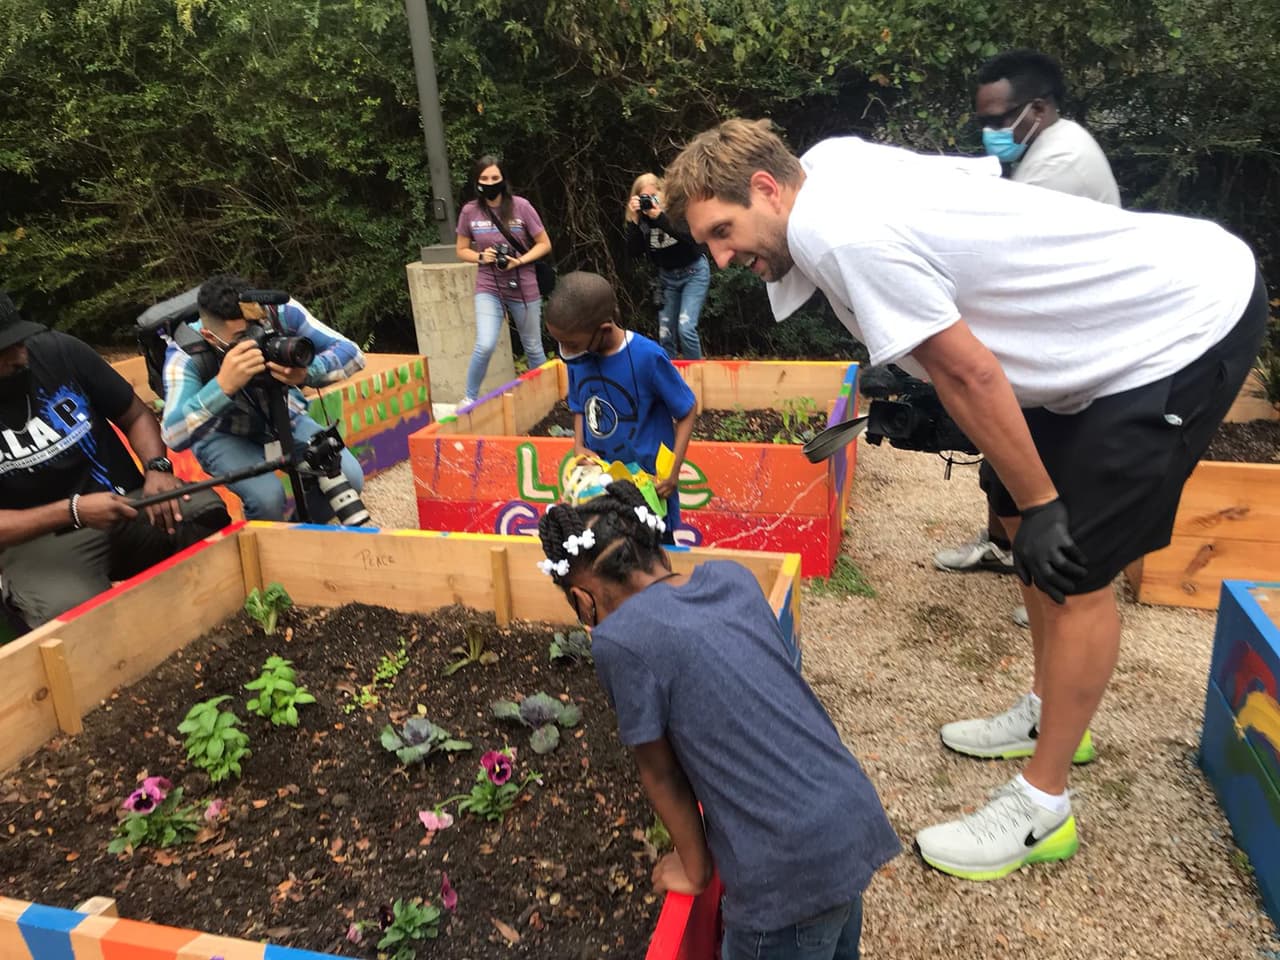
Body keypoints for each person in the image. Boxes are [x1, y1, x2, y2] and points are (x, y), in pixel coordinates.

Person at [663, 119, 1267, 881]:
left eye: (723, 231)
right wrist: (1027, 499)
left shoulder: (838, 232)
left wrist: (1049, 501)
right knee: (1010, 506)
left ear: (764, 188)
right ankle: (1054, 711)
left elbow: (970, 374)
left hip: (1175, 325)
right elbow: (970, 183)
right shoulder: (827, 164)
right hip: (1094, 338)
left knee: (1072, 556)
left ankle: (1042, 808)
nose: (721, 258)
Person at [537, 479, 900, 960]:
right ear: (656, 549)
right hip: (846, 816)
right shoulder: (732, 578)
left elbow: (661, 772)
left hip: (781, 873)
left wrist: (696, 869)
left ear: (584, 601)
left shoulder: (619, 639)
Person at [935, 49, 1123, 626]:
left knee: (1042, 464)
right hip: (1054, 329)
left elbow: (995, 260)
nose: (991, 133)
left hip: (1081, 341)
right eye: (983, 122)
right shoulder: (1037, 150)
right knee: (1000, 454)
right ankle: (1003, 547)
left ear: (1037, 108)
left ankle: (1066, 588)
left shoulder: (1060, 163)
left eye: (1000, 119)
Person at [0, 292, 229, 629]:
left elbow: (136, 415)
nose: (22, 354)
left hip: (127, 504)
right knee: (75, 616)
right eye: (5, 350)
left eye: (20, 340)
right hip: (39, 540)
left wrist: (157, 468)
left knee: (202, 513)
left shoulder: (58, 351)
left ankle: (203, 623)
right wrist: (74, 510)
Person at [160, 274, 366, 523]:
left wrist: (307, 372)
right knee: (266, 498)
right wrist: (222, 387)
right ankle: (269, 547)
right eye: (242, 338)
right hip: (224, 432)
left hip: (281, 413)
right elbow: (172, 434)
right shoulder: (185, 354)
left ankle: (298, 532)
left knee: (350, 476)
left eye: (257, 328)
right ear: (211, 337)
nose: (256, 340)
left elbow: (353, 353)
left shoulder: (279, 312)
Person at [544, 271, 696, 539]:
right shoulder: (579, 359)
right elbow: (580, 405)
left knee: (654, 559)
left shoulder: (648, 357)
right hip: (601, 491)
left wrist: (673, 472)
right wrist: (579, 445)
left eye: (571, 344)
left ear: (603, 329)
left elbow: (687, 409)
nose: (565, 351)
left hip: (648, 492)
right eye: (560, 344)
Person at [454, 155, 553, 404]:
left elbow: (544, 244)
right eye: (484, 178)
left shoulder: (522, 207)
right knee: (485, 344)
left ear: (503, 179)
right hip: (489, 284)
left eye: (495, 178)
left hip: (524, 283)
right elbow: (461, 249)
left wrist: (519, 260)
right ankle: (469, 398)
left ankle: (546, 399)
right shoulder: (470, 211)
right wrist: (481, 256)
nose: (490, 183)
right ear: (477, 182)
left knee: (533, 347)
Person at [625, 172, 710, 359]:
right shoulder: (641, 220)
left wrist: (660, 217)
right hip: (667, 279)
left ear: (662, 193)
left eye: (654, 196)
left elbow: (692, 239)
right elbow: (634, 252)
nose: (650, 201)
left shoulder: (675, 210)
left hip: (693, 271)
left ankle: (696, 377)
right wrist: (634, 220)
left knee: (685, 329)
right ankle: (671, 380)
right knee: (666, 334)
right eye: (644, 197)